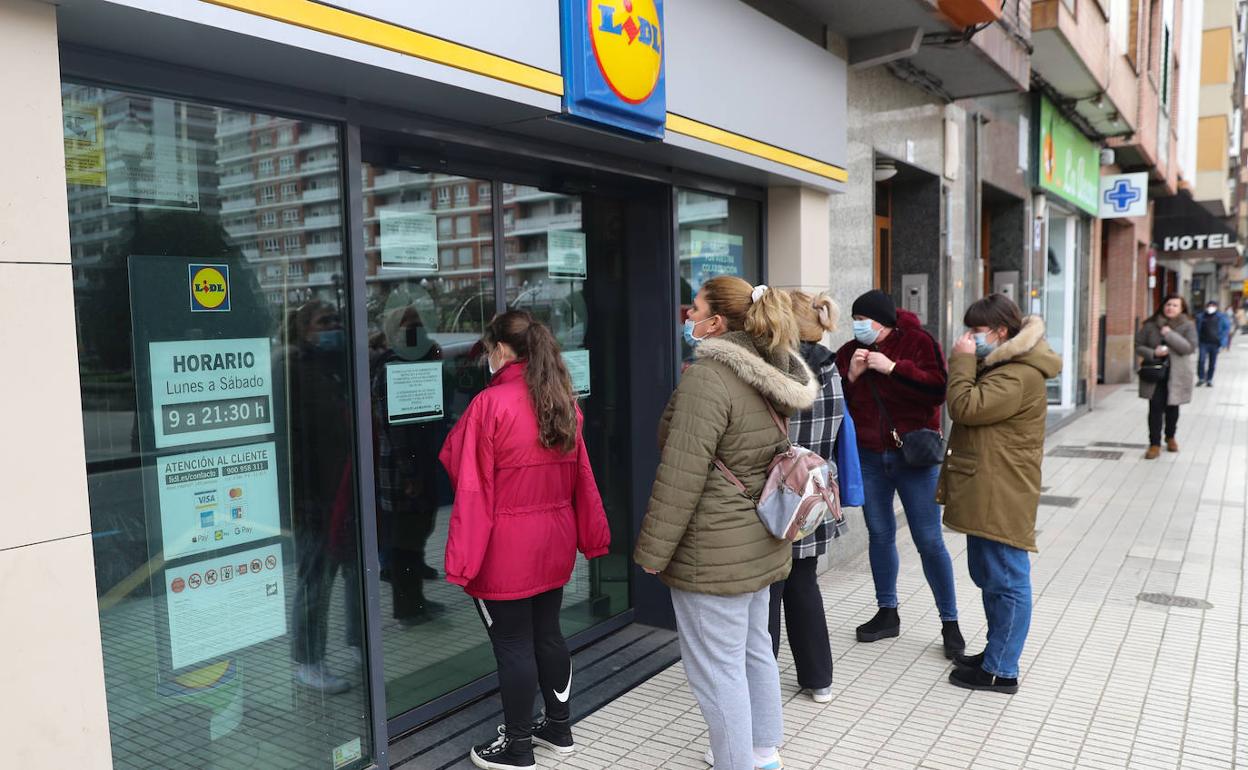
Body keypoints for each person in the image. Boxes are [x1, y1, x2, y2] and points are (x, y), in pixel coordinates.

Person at [634, 277, 816, 770]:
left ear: (716, 322)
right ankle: (764, 750)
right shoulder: (769, 367)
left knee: (718, 669)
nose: (687, 318)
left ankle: (736, 761)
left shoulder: (708, 377)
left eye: (693, 310)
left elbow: (681, 473)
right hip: (760, 537)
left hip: (712, 549)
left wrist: (653, 553)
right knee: (755, 649)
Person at [439, 311, 611, 770]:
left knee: (513, 644)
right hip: (554, 541)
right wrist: (592, 536)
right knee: (547, 634)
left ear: (499, 350)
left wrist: (462, 560)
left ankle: (517, 748)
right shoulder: (561, 399)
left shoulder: (488, 406)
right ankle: (558, 727)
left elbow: (467, 479)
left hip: (505, 546)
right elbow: (585, 478)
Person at [938, 294, 1061, 695]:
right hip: (991, 484)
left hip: (1001, 489)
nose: (969, 337)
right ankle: (996, 652)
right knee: (992, 576)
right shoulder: (1006, 365)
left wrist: (960, 361)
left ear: (1001, 332)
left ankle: (1001, 669)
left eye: (976, 331)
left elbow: (964, 406)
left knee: (1007, 579)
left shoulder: (1018, 375)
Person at [835, 290, 963, 657]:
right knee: (879, 534)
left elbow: (938, 391)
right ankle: (887, 611)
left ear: (884, 321)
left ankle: (950, 622)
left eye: (865, 320)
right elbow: (839, 402)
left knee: (928, 539)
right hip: (870, 457)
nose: (858, 326)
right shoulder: (848, 353)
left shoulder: (919, 343)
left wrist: (893, 368)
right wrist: (854, 375)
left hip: (914, 458)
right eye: (855, 319)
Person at [767, 291, 863, 705]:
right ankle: (818, 679)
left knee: (767, 592)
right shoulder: (832, 369)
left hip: (777, 493)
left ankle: (762, 680)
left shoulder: (782, 369)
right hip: (816, 492)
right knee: (804, 583)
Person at [281, 301, 361, 694]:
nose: (334, 327)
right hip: (316, 496)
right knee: (316, 578)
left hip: (348, 489)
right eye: (323, 322)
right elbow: (292, 441)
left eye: (336, 320)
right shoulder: (295, 371)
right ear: (302, 330)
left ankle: (361, 642)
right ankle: (308, 661)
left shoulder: (339, 366)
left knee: (355, 571)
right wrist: (302, 499)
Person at [1136, 295, 1198, 458]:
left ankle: (1170, 436)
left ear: (1182, 309)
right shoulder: (1150, 325)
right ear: (1163, 306)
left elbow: (1189, 348)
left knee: (1172, 408)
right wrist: (1153, 352)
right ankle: (1154, 444)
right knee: (1155, 408)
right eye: (1168, 304)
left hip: (1177, 374)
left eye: (1175, 305)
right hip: (1155, 373)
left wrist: (1169, 334)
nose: (1171, 308)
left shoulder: (1188, 326)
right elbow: (1138, 345)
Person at [1196, 300, 1230, 386]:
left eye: (1213, 306)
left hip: (1215, 343)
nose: (1211, 307)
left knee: (1212, 362)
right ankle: (1201, 378)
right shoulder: (1201, 316)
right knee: (1201, 360)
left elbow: (1226, 330)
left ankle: (1209, 379)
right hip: (1203, 342)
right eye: (1209, 306)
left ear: (1216, 307)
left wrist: (1223, 343)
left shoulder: (1221, 317)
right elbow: (1197, 329)